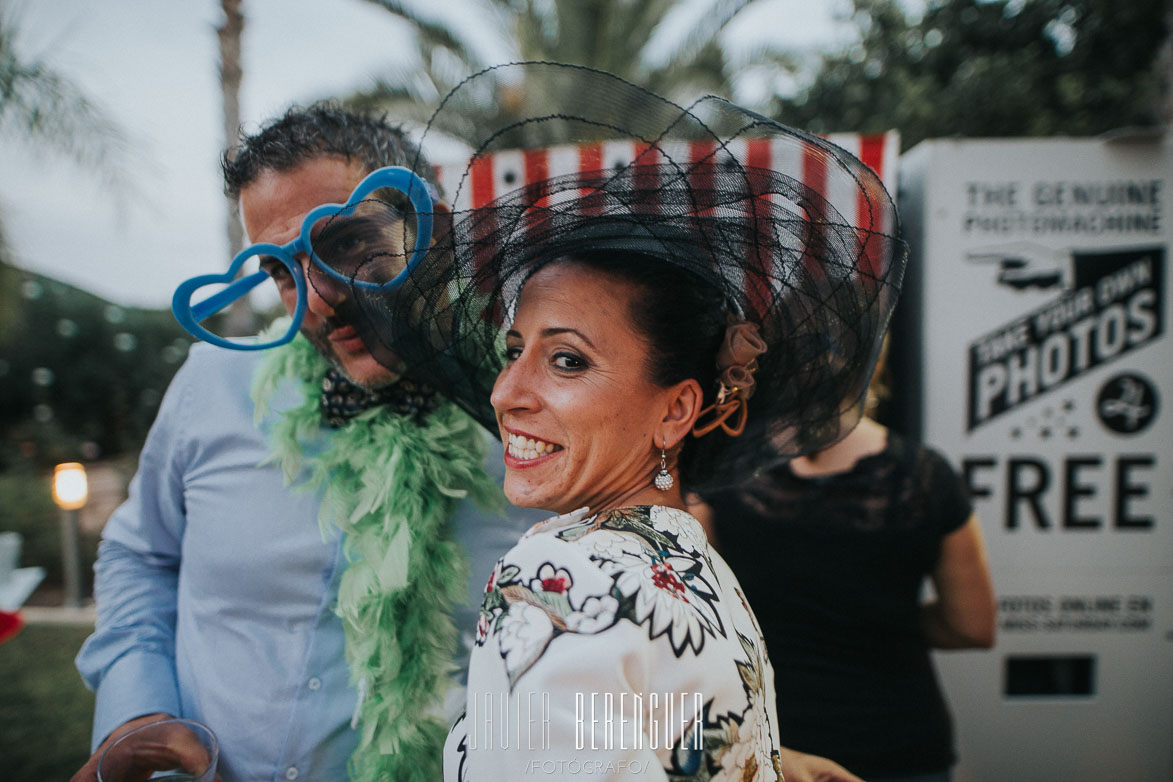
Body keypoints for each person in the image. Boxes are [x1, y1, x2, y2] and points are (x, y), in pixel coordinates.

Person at [342, 63, 907, 781]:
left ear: (676, 410)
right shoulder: (699, 571)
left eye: (568, 361)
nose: (506, 391)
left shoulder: (557, 574)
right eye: (514, 352)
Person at [71, 103, 542, 782]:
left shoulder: (541, 419)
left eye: (345, 243)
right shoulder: (213, 384)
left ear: (429, 224)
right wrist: (134, 710)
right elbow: (139, 554)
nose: (316, 300)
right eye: (282, 271)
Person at [698, 343, 997, 782]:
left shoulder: (724, 471)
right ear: (873, 359)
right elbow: (972, 625)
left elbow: (697, 613)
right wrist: (880, 619)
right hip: (898, 744)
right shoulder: (927, 476)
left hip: (768, 745)